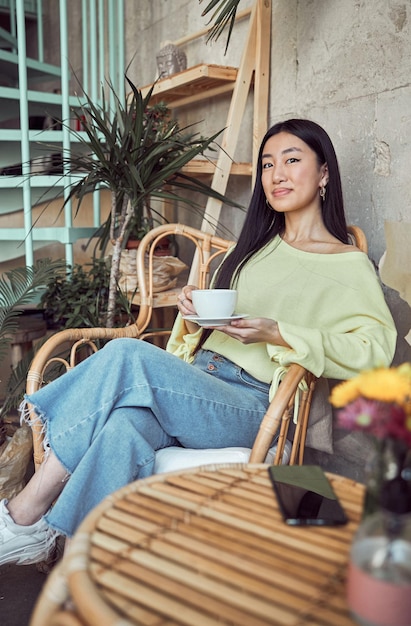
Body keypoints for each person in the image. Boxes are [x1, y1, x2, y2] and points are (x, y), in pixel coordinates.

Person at [0, 119, 397, 566]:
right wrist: (191, 314)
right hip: (197, 383)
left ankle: (24, 511)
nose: (277, 174)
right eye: (267, 164)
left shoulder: (348, 263)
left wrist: (278, 332)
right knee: (122, 428)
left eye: (291, 160)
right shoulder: (251, 250)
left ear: (324, 173)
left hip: (256, 404)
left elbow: (375, 350)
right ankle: (80, 565)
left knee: (127, 355)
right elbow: (207, 333)